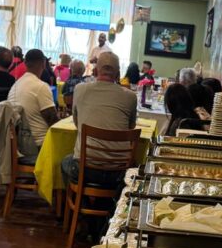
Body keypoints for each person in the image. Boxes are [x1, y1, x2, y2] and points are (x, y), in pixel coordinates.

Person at [61, 51, 137, 189]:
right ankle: (111, 205)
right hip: (119, 172)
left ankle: (81, 205)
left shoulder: (80, 89)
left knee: (65, 162)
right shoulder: (131, 97)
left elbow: (78, 124)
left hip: (86, 169)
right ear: (118, 73)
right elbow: (130, 128)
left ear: (95, 70)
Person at [8, 48, 58, 151]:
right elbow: (53, 122)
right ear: (44, 64)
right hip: (38, 147)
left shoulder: (16, 85)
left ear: (25, 63)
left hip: (15, 147)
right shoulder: (41, 87)